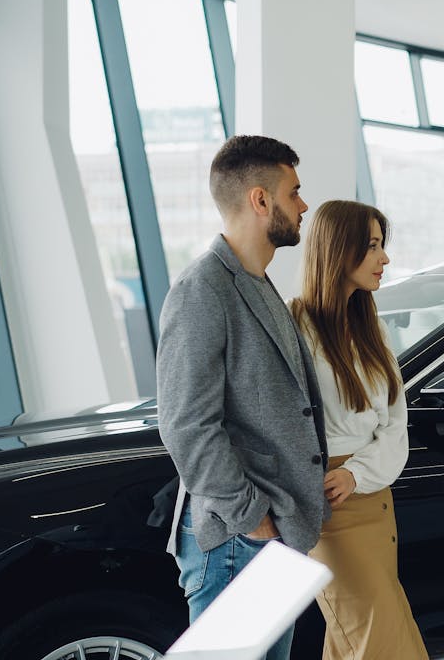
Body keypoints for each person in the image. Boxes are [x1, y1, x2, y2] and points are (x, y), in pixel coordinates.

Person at [157, 135, 328, 660]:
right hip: (237, 541)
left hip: (268, 540)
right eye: (294, 192)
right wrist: (252, 518)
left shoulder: (257, 282)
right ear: (260, 200)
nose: (303, 206)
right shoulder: (203, 288)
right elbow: (186, 424)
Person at [289, 200, 429, 660]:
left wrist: (359, 473)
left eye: (381, 245)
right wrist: (343, 475)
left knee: (356, 638)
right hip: (330, 505)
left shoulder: (370, 329)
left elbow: (396, 423)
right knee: (380, 640)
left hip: (372, 497)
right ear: (338, 249)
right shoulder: (295, 327)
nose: (384, 258)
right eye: (372, 246)